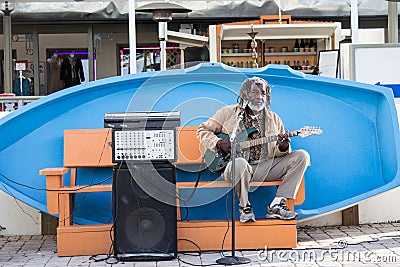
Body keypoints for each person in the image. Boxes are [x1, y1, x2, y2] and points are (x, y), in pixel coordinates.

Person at [196, 76, 310, 222]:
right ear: (244, 94)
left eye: (263, 93)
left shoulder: (274, 119)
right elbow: (202, 130)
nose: (259, 97)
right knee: (240, 164)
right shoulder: (228, 113)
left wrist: (283, 146)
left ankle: (277, 204)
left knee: (302, 156)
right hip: (234, 167)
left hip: (264, 167)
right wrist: (218, 143)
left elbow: (277, 152)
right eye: (254, 92)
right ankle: (245, 207)